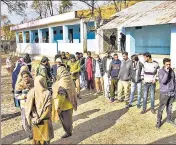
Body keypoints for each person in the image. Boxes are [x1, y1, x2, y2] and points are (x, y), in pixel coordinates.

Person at [25, 76, 54, 144]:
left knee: (37, 139)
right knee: (46, 139)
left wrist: (33, 119)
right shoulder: (47, 93)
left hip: (36, 120)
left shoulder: (31, 92)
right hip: (44, 119)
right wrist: (40, 118)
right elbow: (48, 109)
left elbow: (28, 108)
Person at [52, 66, 77, 138]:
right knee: (69, 119)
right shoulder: (69, 78)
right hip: (70, 103)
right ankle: (69, 130)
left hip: (64, 105)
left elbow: (62, 96)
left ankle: (68, 132)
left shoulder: (62, 81)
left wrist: (59, 106)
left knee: (65, 120)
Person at [156, 58, 176, 128]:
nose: (168, 65)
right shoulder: (161, 71)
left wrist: (175, 91)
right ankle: (158, 122)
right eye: (167, 64)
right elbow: (163, 81)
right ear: (164, 64)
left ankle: (169, 119)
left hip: (172, 92)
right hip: (164, 93)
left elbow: (174, 81)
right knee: (161, 108)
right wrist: (167, 72)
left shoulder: (172, 71)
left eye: (169, 64)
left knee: (169, 107)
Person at [15, 70, 34, 140]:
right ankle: (30, 134)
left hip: (33, 105)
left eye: (27, 76)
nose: (26, 78)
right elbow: (16, 96)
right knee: (25, 122)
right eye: (24, 77)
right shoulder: (19, 85)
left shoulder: (33, 82)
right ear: (22, 78)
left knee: (33, 120)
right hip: (24, 105)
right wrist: (24, 96)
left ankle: (36, 133)